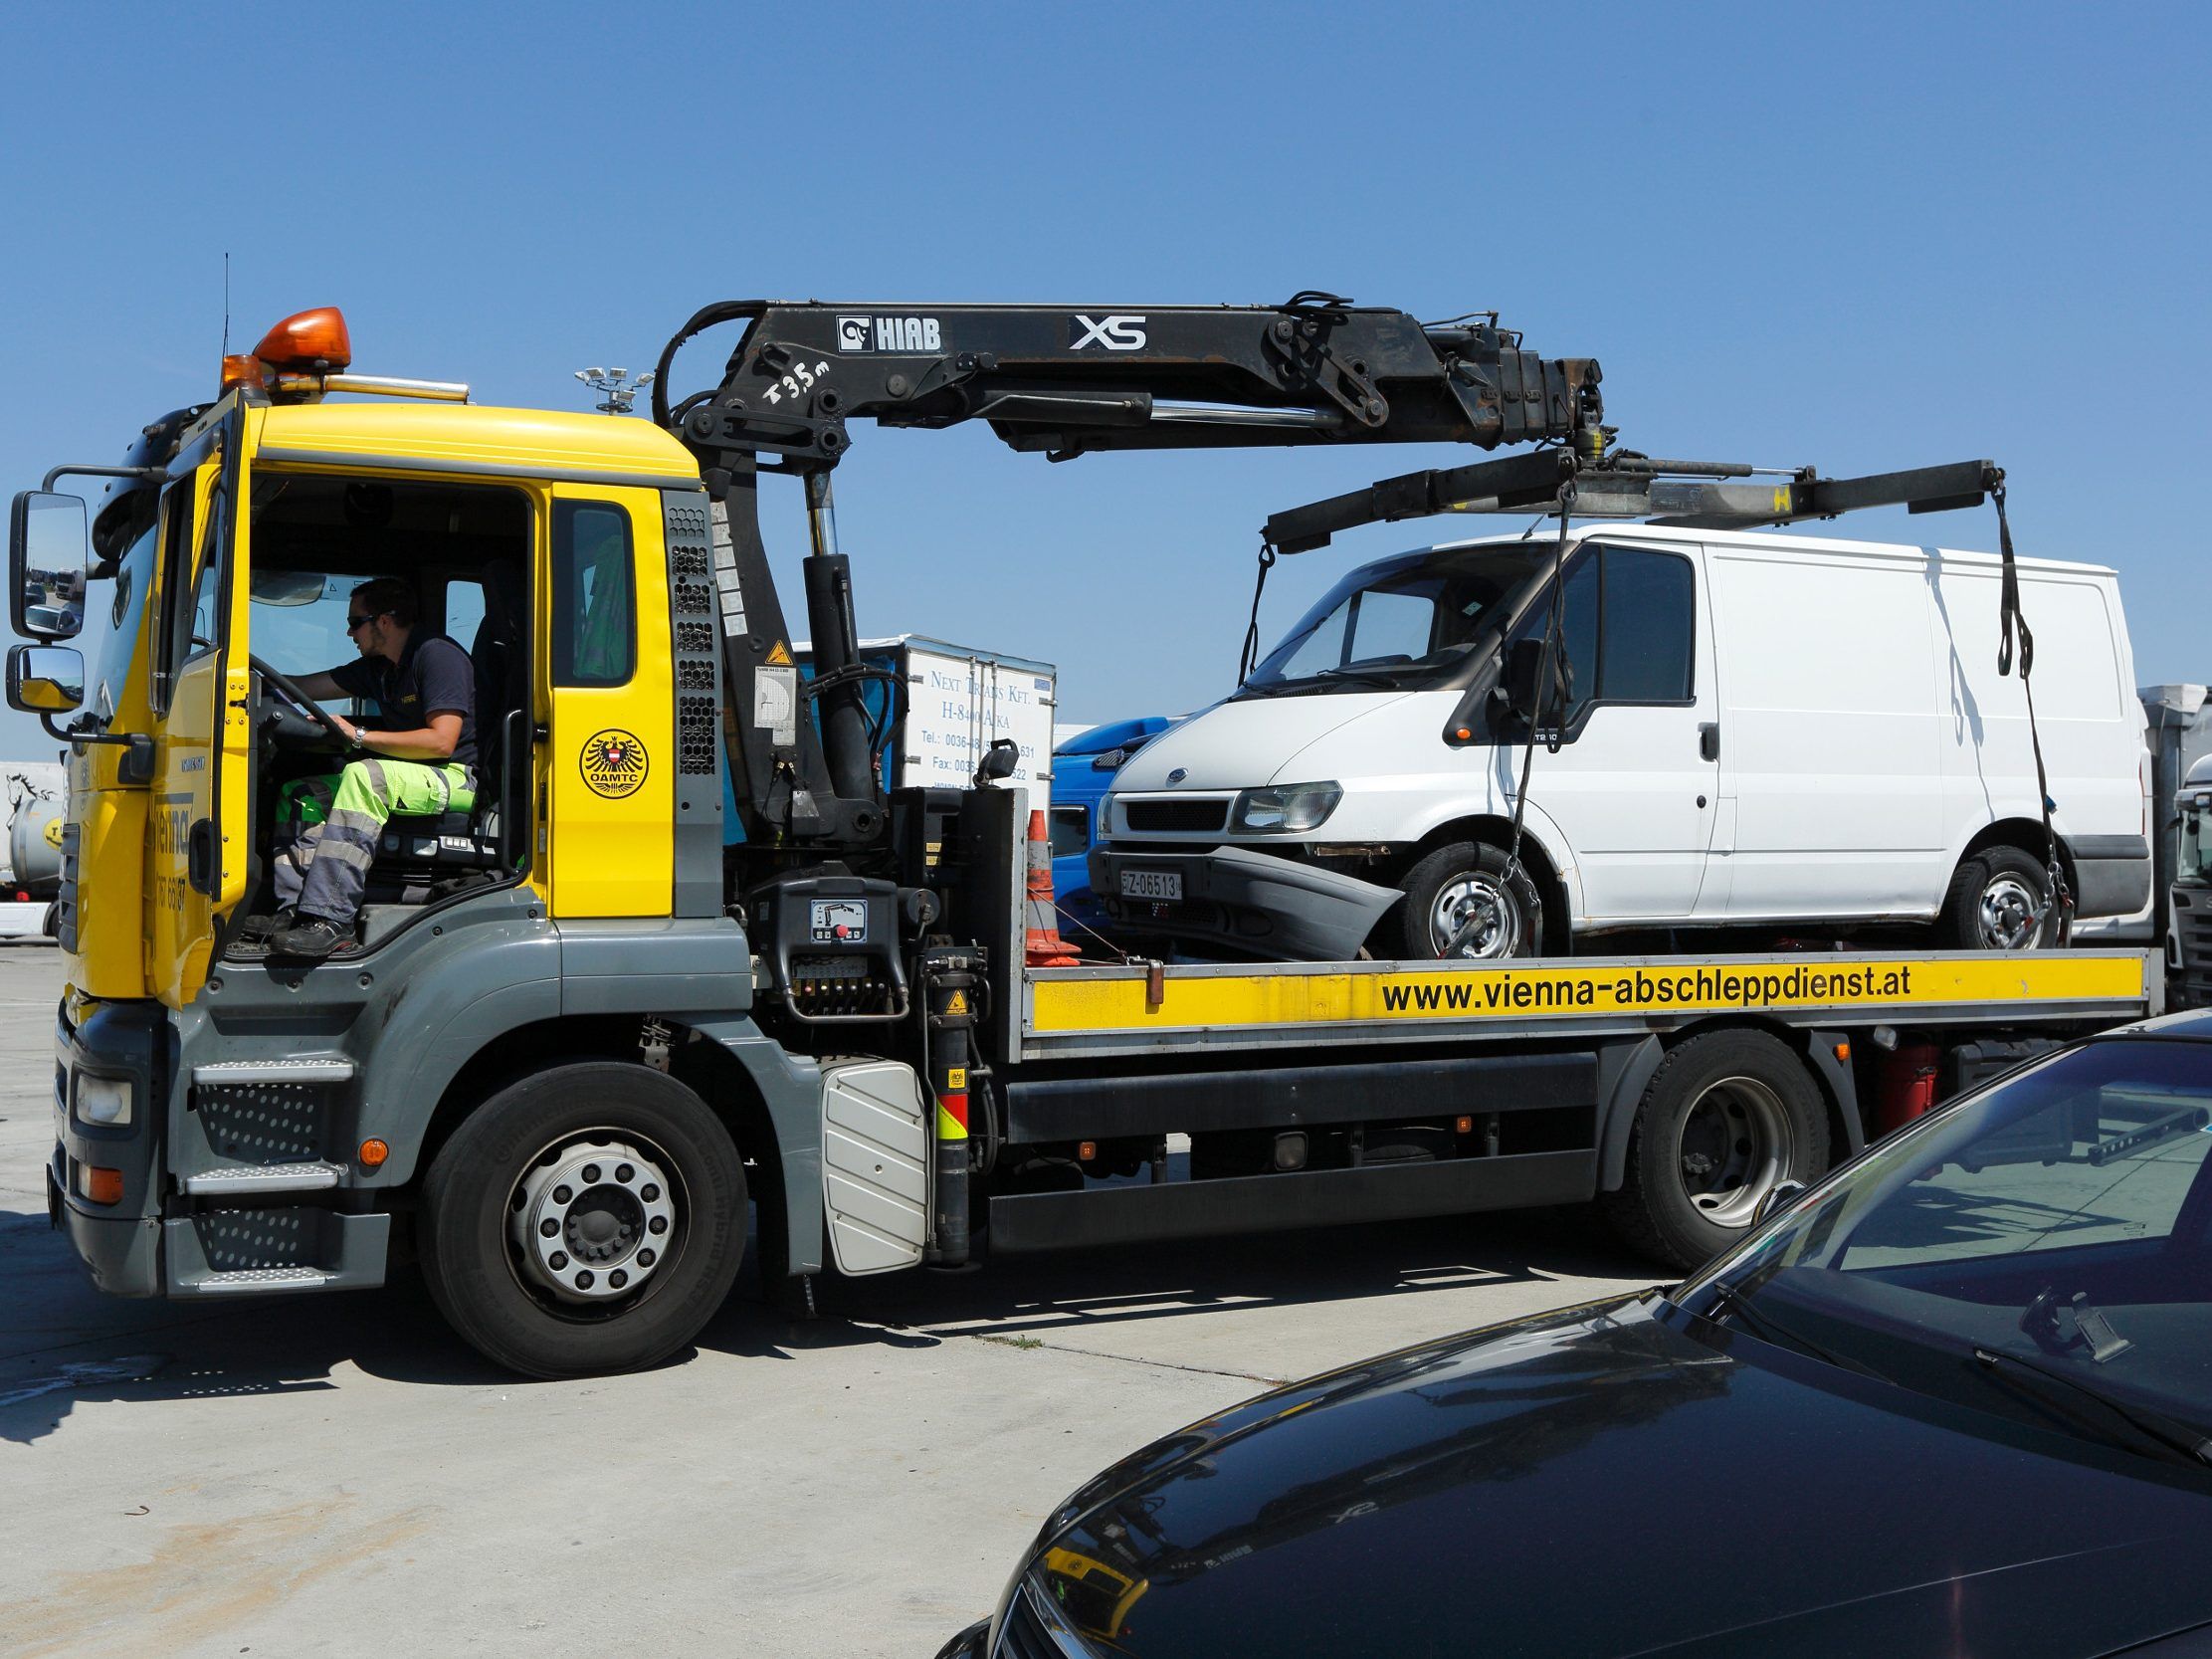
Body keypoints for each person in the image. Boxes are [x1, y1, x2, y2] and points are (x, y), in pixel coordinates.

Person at [263, 578, 477, 960]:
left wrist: (357, 734)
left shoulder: (437, 655)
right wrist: (246, 681)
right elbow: (298, 688)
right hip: (406, 773)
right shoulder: (379, 668)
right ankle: (295, 912)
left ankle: (331, 919)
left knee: (364, 775)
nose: (348, 631)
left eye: (354, 621)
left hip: (455, 778)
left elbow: (442, 741)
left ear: (385, 621)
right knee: (301, 793)